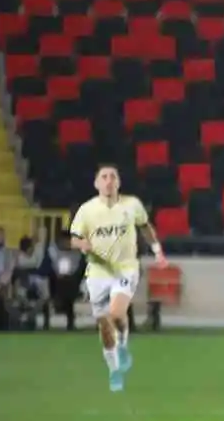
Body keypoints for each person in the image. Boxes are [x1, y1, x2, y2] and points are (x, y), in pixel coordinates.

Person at [69, 165, 165, 390]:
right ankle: (114, 370)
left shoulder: (131, 205)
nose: (109, 180)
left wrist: (157, 250)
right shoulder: (87, 210)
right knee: (104, 324)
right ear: (97, 184)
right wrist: (82, 243)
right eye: (104, 177)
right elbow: (74, 238)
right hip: (97, 273)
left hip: (125, 269)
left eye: (113, 176)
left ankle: (122, 343)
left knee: (116, 312)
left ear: (119, 182)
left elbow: (145, 227)